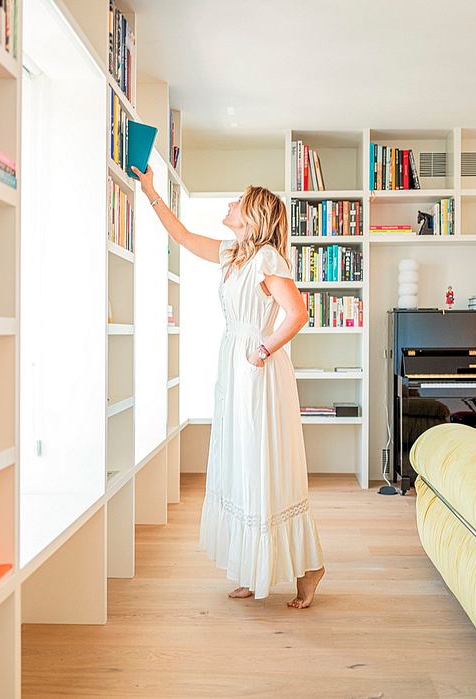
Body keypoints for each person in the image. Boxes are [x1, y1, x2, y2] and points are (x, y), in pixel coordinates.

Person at [132, 166, 326, 609]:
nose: (229, 205)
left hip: (258, 369)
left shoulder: (267, 259)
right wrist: (150, 191)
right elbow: (182, 237)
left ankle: (309, 569)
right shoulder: (232, 254)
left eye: (237, 201)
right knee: (240, 464)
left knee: (261, 465)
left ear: (253, 215)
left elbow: (297, 313)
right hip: (235, 366)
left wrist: (262, 350)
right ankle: (252, 568)